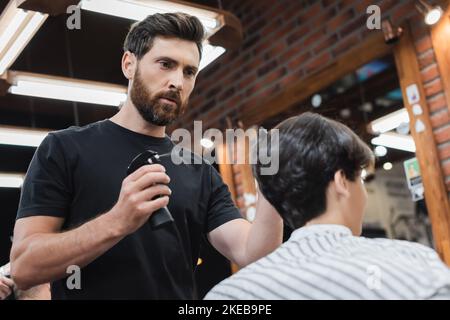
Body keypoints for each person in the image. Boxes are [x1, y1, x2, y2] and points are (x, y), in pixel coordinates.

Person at [9, 13, 282, 299]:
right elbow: (25, 267)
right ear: (129, 64)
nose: (177, 81)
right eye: (166, 64)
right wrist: (116, 221)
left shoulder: (198, 172)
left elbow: (254, 253)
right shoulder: (64, 149)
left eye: (189, 72)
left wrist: (273, 184)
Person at [205, 112, 450, 300]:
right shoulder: (413, 264)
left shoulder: (231, 295)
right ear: (341, 181)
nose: (363, 195)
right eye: (360, 179)